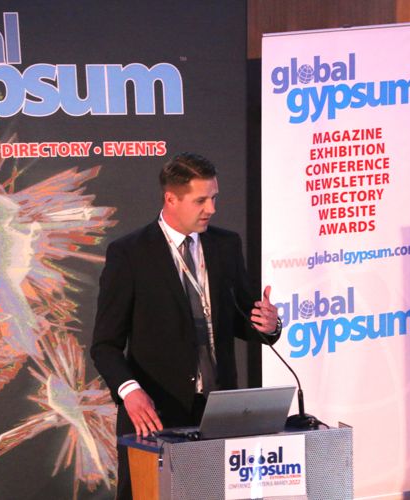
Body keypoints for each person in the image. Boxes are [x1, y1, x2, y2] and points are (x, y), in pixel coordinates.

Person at [90, 152, 281, 500]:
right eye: (201, 200)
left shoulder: (226, 245)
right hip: (156, 413)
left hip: (217, 412)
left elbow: (244, 320)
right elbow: (105, 345)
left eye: (214, 198)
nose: (211, 209)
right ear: (171, 199)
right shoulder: (130, 253)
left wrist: (267, 325)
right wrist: (130, 391)